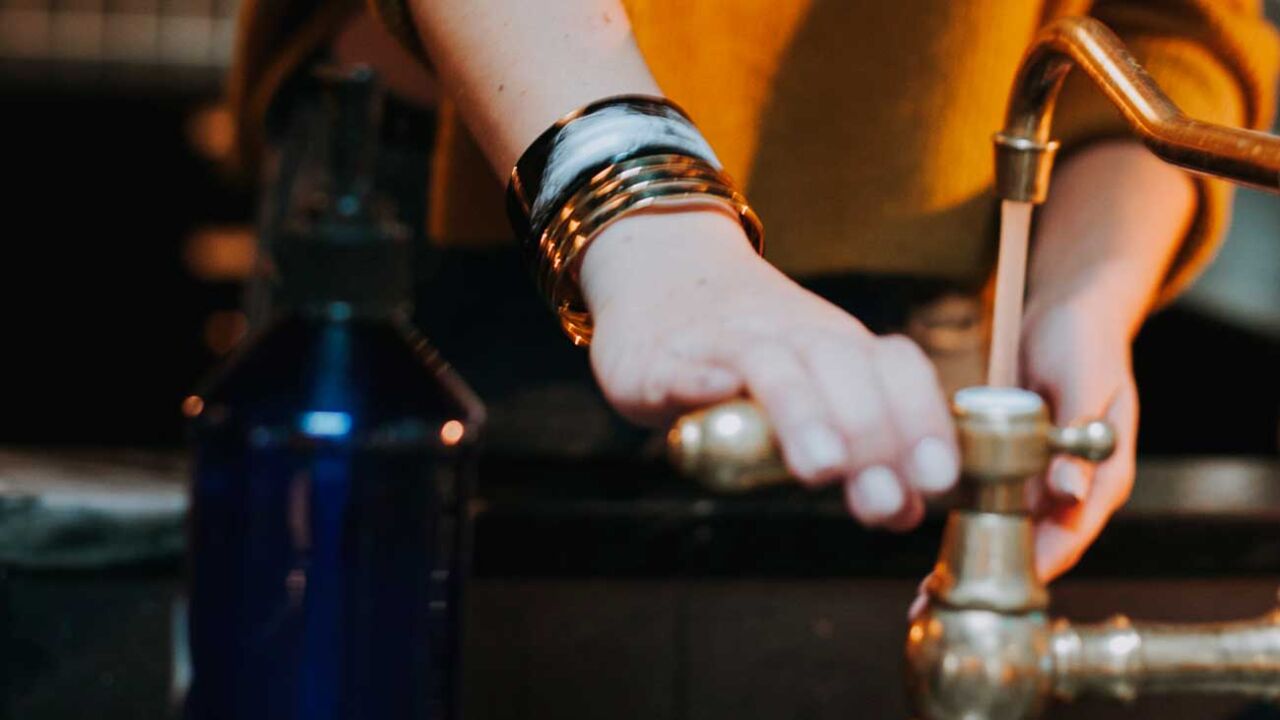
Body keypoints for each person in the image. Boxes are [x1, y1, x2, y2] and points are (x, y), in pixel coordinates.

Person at [228, 0, 1279, 580]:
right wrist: (633, 201)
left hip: (933, 293)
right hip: (471, 184)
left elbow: (1167, 27)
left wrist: (1082, 294)